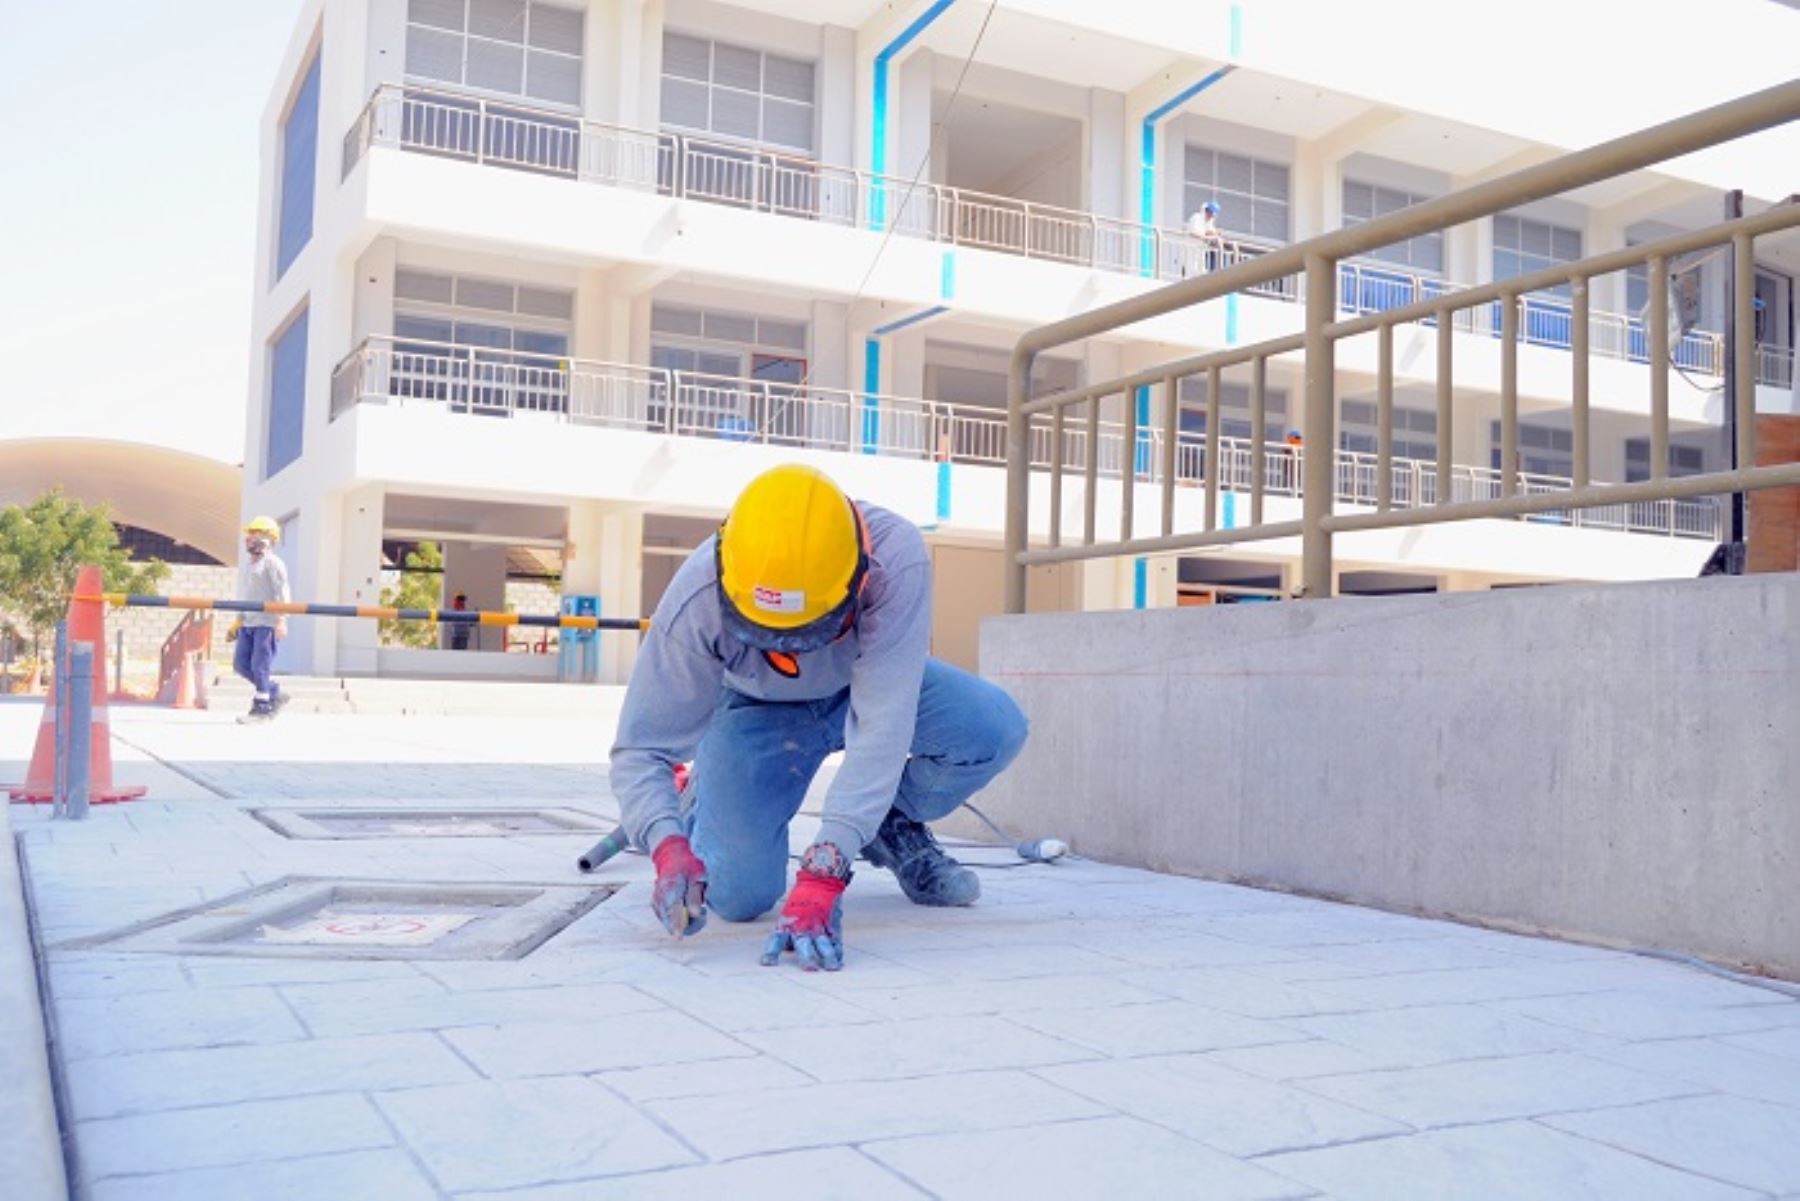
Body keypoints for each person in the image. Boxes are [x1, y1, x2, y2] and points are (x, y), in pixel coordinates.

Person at [610, 464, 1029, 972]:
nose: (794, 650)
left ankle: (888, 824)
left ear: (859, 576)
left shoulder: (896, 557)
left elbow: (883, 726)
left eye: (812, 631)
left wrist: (828, 864)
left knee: (991, 727)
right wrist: (666, 842)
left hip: (867, 683)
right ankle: (702, 805)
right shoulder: (697, 596)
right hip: (756, 711)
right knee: (739, 898)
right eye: (772, 637)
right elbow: (642, 747)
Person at [226, 516, 291, 724]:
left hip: (266, 623)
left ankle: (262, 708)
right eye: (249, 534)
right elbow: (247, 595)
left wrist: (281, 620)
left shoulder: (273, 563)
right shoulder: (250, 564)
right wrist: (238, 621)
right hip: (249, 622)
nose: (249, 538)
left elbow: (282, 593)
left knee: (259, 666)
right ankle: (273, 691)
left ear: (268, 538)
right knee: (240, 665)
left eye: (255, 534)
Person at [1186, 200, 1225, 274]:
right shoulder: (1196, 218)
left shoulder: (1207, 221)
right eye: (1211, 214)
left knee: (1201, 269)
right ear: (1207, 211)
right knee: (1192, 267)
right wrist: (1208, 237)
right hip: (1192, 247)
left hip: (1201, 249)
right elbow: (1194, 233)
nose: (1211, 217)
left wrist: (1216, 234)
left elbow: (1210, 230)